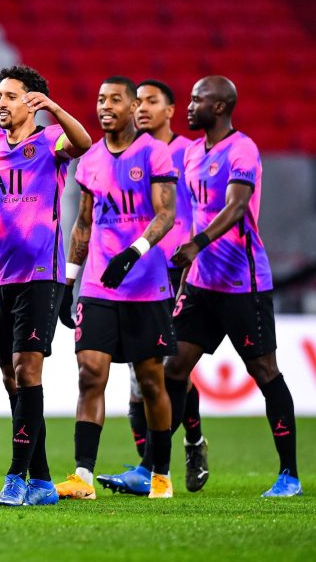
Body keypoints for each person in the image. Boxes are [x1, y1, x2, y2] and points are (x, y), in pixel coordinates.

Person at [167, 76, 301, 498]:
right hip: (203, 285)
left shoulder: (242, 149)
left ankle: (289, 475)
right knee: (174, 368)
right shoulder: (190, 153)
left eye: (197, 99)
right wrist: (185, 264)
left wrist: (197, 245)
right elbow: (190, 218)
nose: (188, 106)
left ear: (221, 106)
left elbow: (237, 206)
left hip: (244, 283)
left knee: (264, 372)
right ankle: (151, 466)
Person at [55, 76, 178, 501]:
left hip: (145, 286)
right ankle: (82, 477)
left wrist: (134, 252)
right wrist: (67, 280)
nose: (105, 106)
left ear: (132, 108)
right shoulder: (88, 160)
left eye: (115, 99)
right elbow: (84, 222)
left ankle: (160, 475)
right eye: (101, 99)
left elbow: (166, 214)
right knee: (90, 375)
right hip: (98, 286)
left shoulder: (154, 152)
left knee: (149, 382)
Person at [0, 65, 92, 507]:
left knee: (28, 370)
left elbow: (83, 143)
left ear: (32, 101)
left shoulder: (50, 142)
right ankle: (42, 479)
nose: (1, 103)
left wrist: (56, 109)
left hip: (38, 278)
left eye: (10, 96)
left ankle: (15, 476)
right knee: (10, 378)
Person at [99, 79, 208, 495]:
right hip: (137, 272)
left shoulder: (189, 153)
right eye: (137, 101)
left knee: (168, 366)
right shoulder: (130, 153)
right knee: (139, 374)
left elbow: (203, 205)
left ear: (170, 110)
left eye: (151, 101)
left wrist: (195, 248)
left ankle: (182, 449)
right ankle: (149, 463)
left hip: (178, 270)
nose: (142, 108)